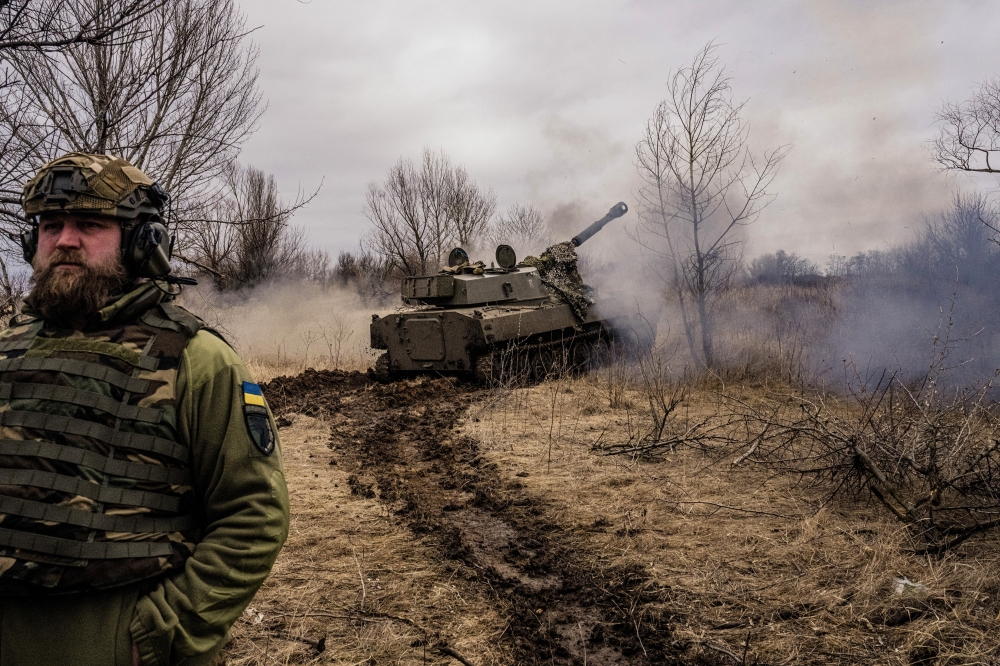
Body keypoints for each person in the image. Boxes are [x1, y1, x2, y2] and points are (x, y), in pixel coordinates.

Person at [0, 152, 290, 665]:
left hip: (114, 640)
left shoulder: (198, 359)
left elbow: (254, 514)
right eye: (50, 225)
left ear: (142, 242)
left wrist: (162, 631)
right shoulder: (6, 350)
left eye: (89, 224)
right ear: (30, 242)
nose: (65, 239)